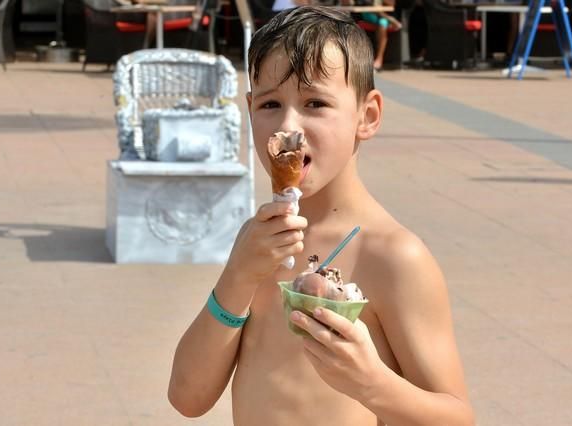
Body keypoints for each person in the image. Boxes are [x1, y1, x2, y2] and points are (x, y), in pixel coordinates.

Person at [168, 6, 474, 426]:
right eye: (270, 103)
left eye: (315, 102)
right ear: (249, 108)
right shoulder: (256, 241)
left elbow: (457, 417)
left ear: (366, 116)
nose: (288, 127)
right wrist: (239, 275)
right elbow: (187, 397)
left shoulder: (392, 255)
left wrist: (371, 383)